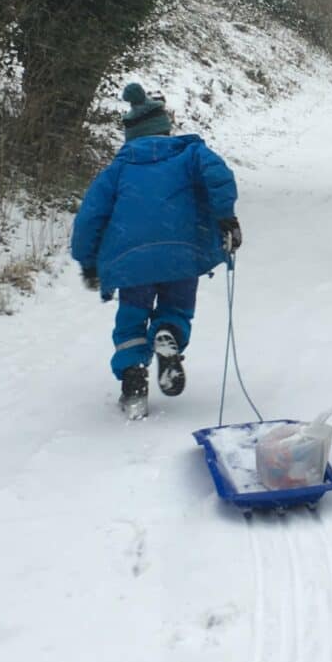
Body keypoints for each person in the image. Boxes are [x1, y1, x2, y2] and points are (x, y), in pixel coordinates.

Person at [71, 82, 242, 418]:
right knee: (176, 307)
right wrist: (225, 216)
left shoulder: (118, 170)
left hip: (132, 260)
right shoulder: (190, 154)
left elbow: (90, 216)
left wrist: (88, 261)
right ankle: (169, 333)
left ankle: (134, 383)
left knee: (131, 316)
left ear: (130, 135)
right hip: (181, 251)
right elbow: (219, 175)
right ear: (165, 128)